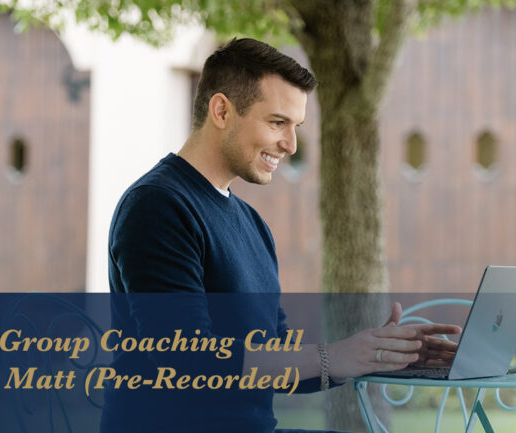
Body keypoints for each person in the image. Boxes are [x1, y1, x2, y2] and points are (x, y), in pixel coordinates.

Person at [104, 38, 460, 433]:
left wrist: (378, 354)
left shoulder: (252, 224)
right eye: (277, 122)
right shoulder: (157, 206)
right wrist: (334, 355)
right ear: (221, 110)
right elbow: (185, 359)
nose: (290, 144)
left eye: (296, 127)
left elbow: (282, 365)